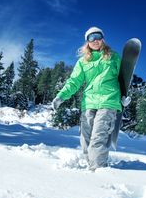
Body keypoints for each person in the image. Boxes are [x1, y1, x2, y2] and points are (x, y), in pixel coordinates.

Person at [52, 26, 127, 171]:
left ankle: (98, 170)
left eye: (98, 36)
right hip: (89, 102)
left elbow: (123, 78)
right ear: (87, 41)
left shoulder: (113, 57)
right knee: (85, 138)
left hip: (109, 100)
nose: (96, 40)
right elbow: (74, 82)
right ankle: (92, 164)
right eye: (91, 37)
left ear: (103, 39)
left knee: (98, 137)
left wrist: (124, 97)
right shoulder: (83, 62)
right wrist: (61, 96)